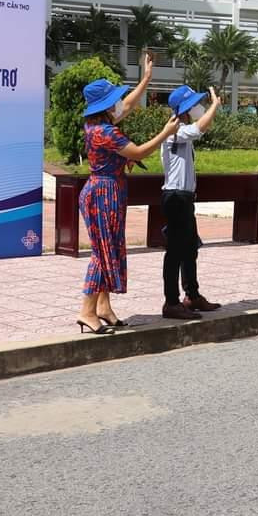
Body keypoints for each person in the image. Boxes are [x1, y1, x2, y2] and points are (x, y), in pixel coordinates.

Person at [76, 53, 179, 334]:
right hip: (103, 193)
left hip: (106, 190)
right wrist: (166, 132)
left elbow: (128, 104)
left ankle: (103, 307)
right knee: (102, 253)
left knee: (109, 250)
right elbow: (139, 152)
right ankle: (87, 311)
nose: (119, 102)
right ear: (106, 105)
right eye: (114, 99)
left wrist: (146, 78)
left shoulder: (96, 124)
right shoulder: (106, 132)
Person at [160, 84, 222, 321]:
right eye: (194, 104)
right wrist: (214, 106)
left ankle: (192, 295)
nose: (198, 107)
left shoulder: (181, 129)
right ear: (185, 109)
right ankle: (171, 302)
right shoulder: (173, 130)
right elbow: (199, 128)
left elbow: (199, 128)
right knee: (175, 252)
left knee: (190, 249)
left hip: (184, 198)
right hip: (176, 197)